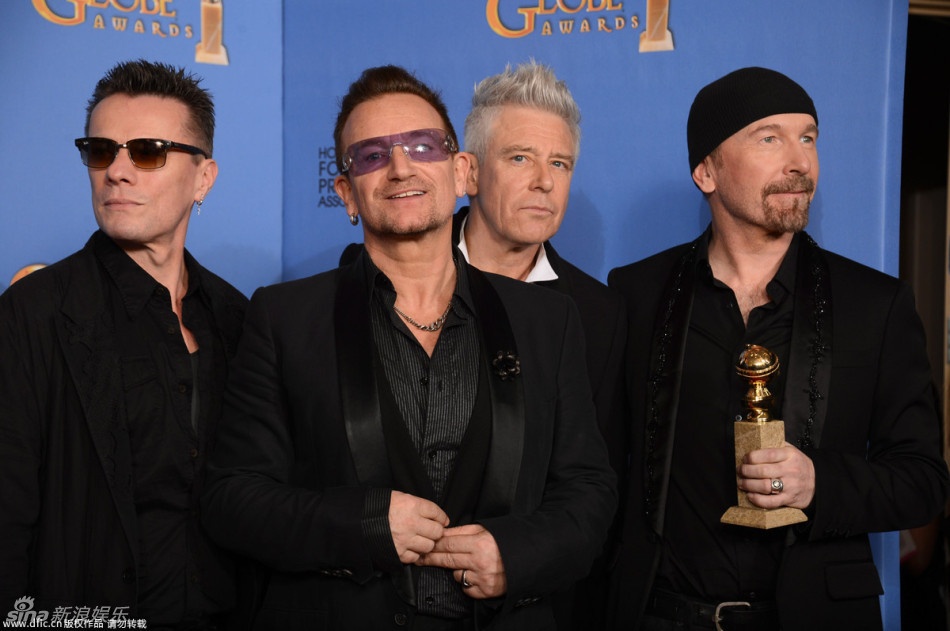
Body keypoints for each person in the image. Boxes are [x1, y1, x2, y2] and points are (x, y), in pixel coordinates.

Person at [201, 65, 616, 630]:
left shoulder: (547, 320)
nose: (400, 167)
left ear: (460, 170)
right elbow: (232, 498)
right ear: (346, 193)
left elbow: (589, 491)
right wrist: (361, 525)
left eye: (423, 146)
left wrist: (516, 555)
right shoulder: (285, 317)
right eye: (372, 155)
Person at [607, 66, 950, 630]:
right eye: (769, 138)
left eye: (808, 138)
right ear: (706, 171)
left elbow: (923, 483)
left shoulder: (875, 304)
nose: (800, 161)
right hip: (664, 617)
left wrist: (819, 482)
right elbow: (600, 469)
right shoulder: (637, 293)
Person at [0, 60, 247, 628]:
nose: (116, 172)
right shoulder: (33, 313)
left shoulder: (238, 318)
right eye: (100, 151)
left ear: (203, 177)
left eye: (148, 152)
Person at [458, 61, 625, 629]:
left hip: (531, 606)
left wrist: (518, 559)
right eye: (520, 158)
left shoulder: (598, 314)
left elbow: (590, 488)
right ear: (469, 172)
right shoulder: (393, 276)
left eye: (560, 163)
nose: (544, 182)